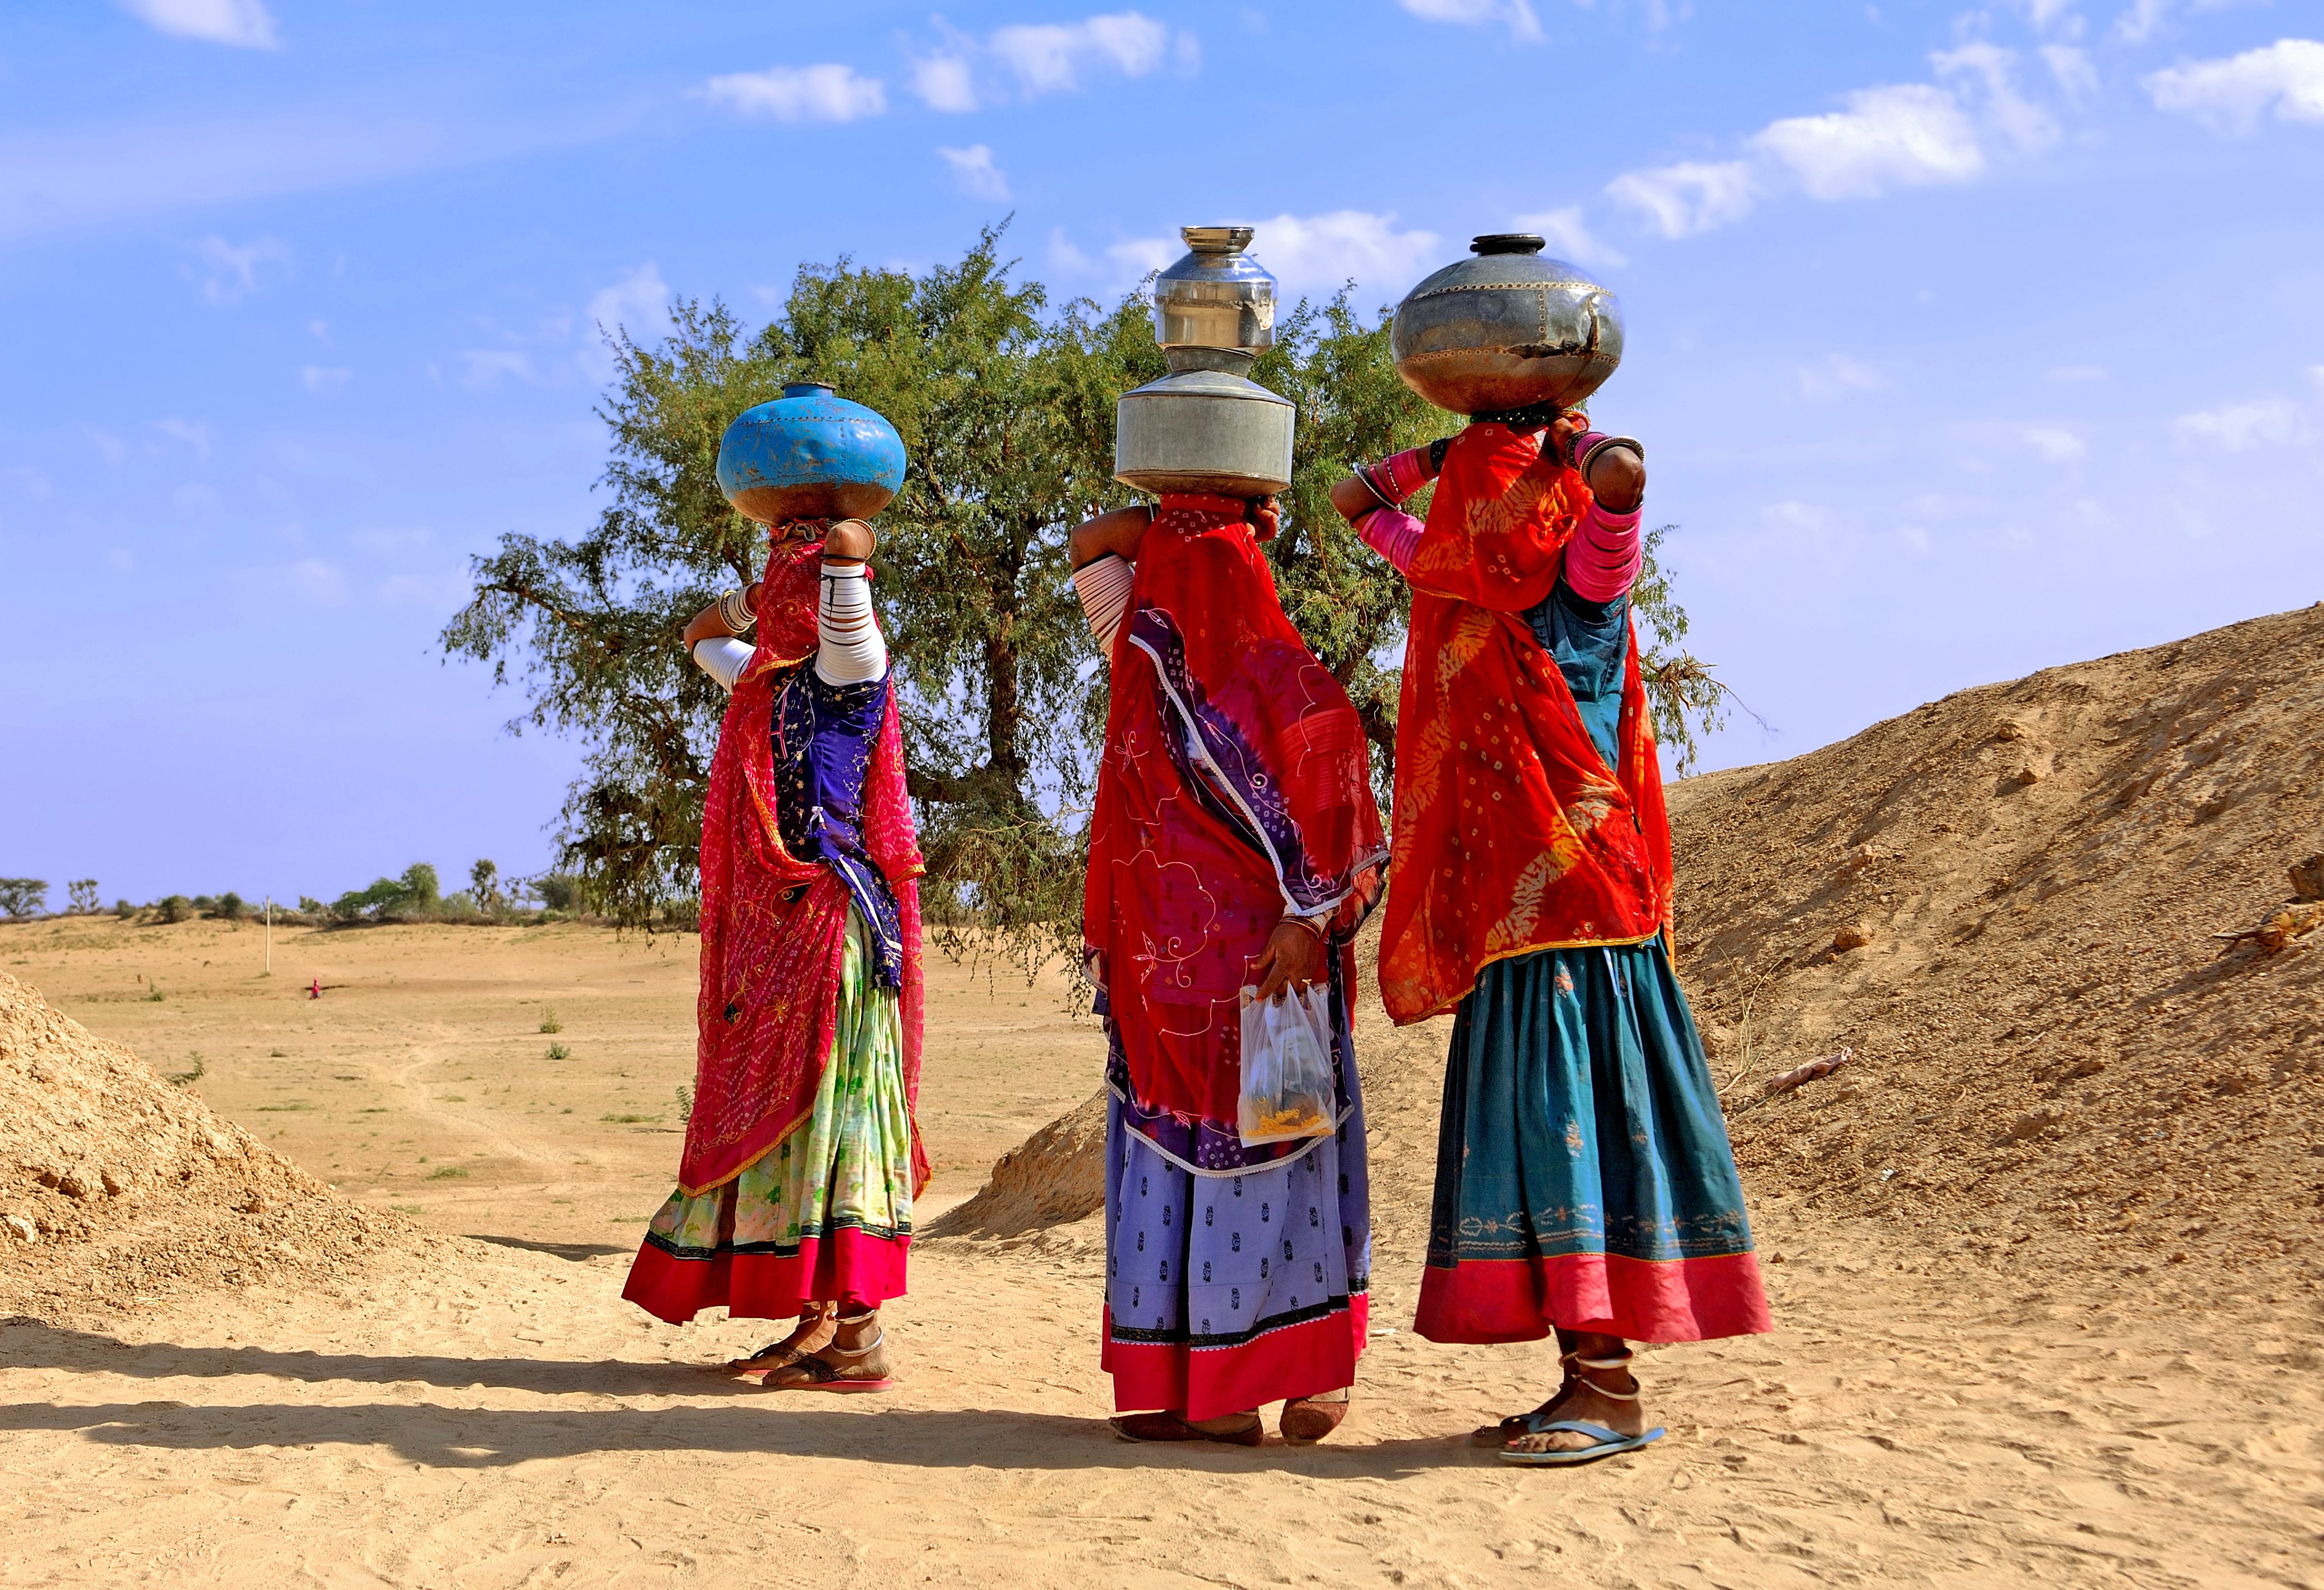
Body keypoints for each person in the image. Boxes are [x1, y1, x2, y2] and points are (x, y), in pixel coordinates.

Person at [1333, 412, 1771, 1466]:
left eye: (1498, 494)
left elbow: (1624, 477)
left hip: (1586, 925)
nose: (1484, 513)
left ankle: (1610, 1391)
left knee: (1580, 1131)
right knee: (1546, 1140)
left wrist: (1554, 442)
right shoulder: (1454, 577)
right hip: (1515, 927)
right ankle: (1586, 1379)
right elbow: (1354, 508)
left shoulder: (1586, 578)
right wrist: (1469, 450)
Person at [1068, 491, 1389, 1446]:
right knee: (1222, 1159)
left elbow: (1352, 832)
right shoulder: (1154, 663)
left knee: (1268, 1149)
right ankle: (1203, 1384)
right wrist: (1211, 509)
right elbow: (1099, 549)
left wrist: (1311, 915)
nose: (1184, 596)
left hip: (1259, 979)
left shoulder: (1261, 679)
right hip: (1175, 981)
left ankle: (1283, 1377)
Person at [619, 514, 929, 1393]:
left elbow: (848, 556)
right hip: (779, 937)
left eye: (792, 579)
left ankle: (856, 1330)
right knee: (796, 1122)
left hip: (834, 927)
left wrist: (822, 550)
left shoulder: (851, 668)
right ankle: (822, 1322)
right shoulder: (765, 677)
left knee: (837, 1115)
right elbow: (700, 635)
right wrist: (762, 592)